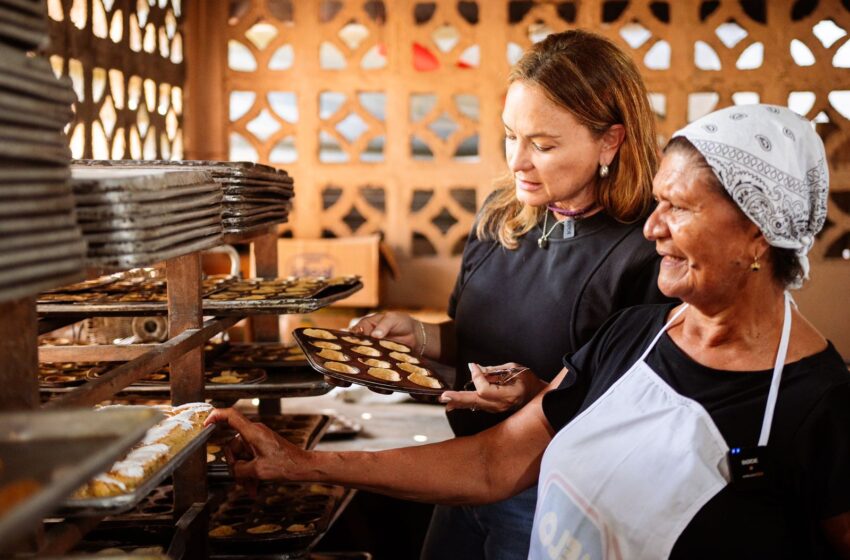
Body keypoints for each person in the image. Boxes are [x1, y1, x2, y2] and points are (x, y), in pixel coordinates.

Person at [208, 104, 850, 559]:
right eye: (657, 202)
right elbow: (494, 465)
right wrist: (301, 464)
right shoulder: (635, 335)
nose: (652, 228)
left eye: (678, 208)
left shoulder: (821, 406)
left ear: (757, 233)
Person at [349, 29, 669, 559]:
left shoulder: (647, 251)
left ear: (610, 141)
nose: (517, 161)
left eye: (542, 145)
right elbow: (474, 341)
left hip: (557, 494)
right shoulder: (503, 216)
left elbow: (644, 410)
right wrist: (424, 336)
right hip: (464, 472)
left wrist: (539, 395)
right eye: (509, 136)